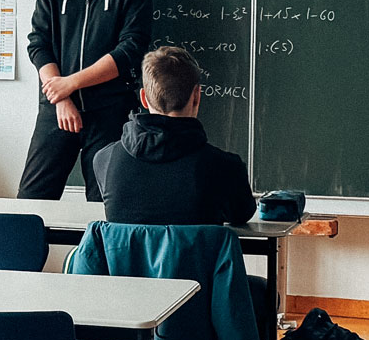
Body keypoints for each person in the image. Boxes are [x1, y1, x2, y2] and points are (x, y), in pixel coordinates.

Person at [17, 0, 152, 201]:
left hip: (110, 112)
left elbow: (130, 49)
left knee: (106, 203)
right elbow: (39, 42)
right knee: (31, 200)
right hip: (56, 108)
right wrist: (61, 96)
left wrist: (70, 84)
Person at [93, 45, 256, 226]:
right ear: (197, 96)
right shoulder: (226, 167)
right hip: (194, 247)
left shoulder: (105, 160)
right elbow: (241, 214)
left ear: (144, 98)